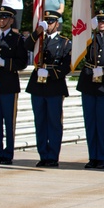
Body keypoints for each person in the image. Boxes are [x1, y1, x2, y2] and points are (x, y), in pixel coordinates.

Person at [24, 10, 70, 166]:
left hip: (54, 86)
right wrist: (37, 31)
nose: (48, 24)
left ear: (57, 24)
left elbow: (66, 65)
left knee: (54, 122)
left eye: (51, 22)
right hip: (37, 86)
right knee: (40, 122)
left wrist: (51, 73)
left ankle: (52, 156)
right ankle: (43, 154)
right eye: (46, 21)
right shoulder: (39, 39)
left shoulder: (64, 42)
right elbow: (26, 46)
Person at [0, 7, 29, 165]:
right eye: (0, 18)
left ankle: (8, 154)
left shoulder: (17, 39)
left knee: (9, 122)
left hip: (9, 85)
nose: (1, 21)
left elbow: (22, 62)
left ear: (11, 20)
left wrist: (5, 63)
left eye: (5, 18)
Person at [77, 9, 104, 169]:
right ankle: (93, 156)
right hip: (89, 84)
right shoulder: (90, 38)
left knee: (103, 124)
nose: (101, 24)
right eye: (99, 20)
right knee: (90, 123)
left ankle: (101, 157)